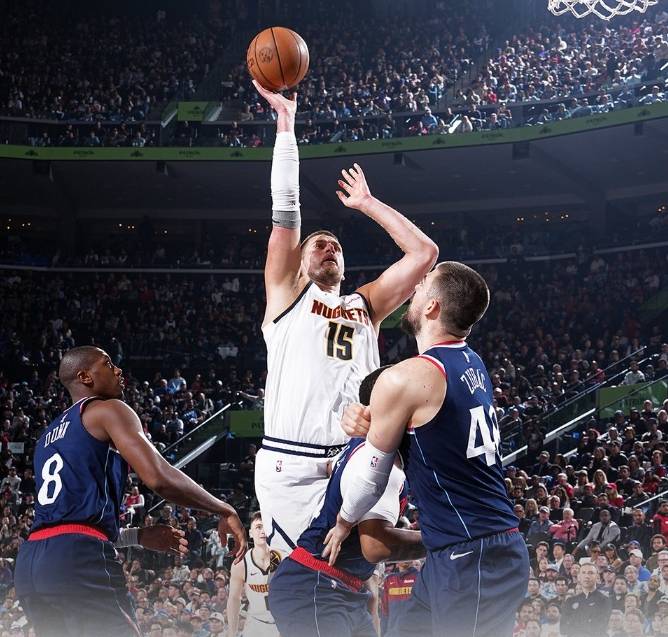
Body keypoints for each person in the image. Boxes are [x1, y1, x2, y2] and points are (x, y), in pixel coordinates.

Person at [252, 80, 438, 554]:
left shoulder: (365, 304)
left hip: (356, 450)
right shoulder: (285, 296)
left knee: (369, 556)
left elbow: (424, 253)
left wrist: (368, 205)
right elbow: (285, 210)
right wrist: (286, 124)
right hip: (291, 462)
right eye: (319, 244)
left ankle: (459, 539)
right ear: (299, 262)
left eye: (336, 245)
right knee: (299, 572)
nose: (329, 247)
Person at [322, 262, 529, 637]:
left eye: (422, 285)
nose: (414, 289)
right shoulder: (471, 362)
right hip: (462, 551)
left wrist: (344, 521)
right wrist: (376, 423)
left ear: (432, 306)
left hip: (473, 554)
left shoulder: (407, 377)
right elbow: (435, 449)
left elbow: (371, 478)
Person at [14, 346, 247, 637]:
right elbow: (159, 477)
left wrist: (136, 536)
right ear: (85, 377)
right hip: (76, 558)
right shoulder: (107, 409)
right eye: (108, 364)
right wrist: (223, 509)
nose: (118, 370)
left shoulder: (46, 437)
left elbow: (65, 523)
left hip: (31, 563)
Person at [267, 366, 427, 637]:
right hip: (315, 583)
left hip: (338, 585)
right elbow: (375, 545)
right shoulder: (382, 464)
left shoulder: (364, 448)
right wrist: (440, 540)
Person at [227, 512, 281, 637]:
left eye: (266, 527)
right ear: (250, 533)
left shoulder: (283, 557)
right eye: (258, 527)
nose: (263, 531)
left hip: (282, 623)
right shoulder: (241, 564)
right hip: (256, 625)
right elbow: (234, 599)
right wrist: (232, 632)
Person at [561, 562, 612, 637]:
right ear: (579, 577)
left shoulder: (605, 601)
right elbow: (563, 628)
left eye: (590, 573)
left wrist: (575, 623)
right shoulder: (570, 601)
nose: (587, 576)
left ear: (597, 576)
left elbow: (600, 627)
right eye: (583, 573)